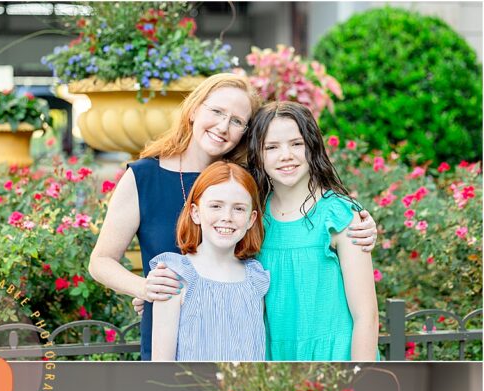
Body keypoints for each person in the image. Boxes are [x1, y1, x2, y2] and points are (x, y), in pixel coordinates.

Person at [87, 73, 378, 360]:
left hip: (241, 343)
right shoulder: (144, 177)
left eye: (237, 121)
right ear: (193, 110)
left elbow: (298, 210)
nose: (223, 126)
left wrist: (360, 225)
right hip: (172, 340)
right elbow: (101, 261)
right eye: (216, 111)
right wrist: (146, 288)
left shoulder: (249, 181)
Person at [248, 101, 378, 360]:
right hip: (275, 361)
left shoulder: (339, 216)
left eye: (297, 144)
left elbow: (367, 316)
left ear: (312, 147)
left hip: (335, 359)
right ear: (257, 155)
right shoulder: (252, 217)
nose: (286, 155)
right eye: (271, 147)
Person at [150, 161, 269, 360]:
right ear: (195, 213)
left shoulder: (256, 279)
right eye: (216, 206)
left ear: (251, 219)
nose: (227, 217)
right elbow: (162, 365)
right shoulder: (175, 277)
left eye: (239, 209)